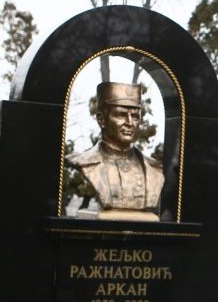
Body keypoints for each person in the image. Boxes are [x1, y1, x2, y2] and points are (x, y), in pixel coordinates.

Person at [66, 82, 164, 220]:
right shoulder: (82, 162)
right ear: (101, 120)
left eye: (135, 116)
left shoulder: (155, 170)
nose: (130, 122)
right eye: (121, 115)